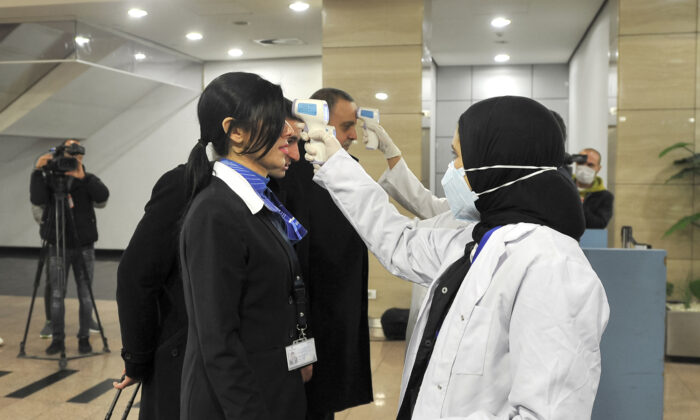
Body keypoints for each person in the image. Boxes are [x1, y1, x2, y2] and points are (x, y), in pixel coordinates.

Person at [305, 95, 610, 419]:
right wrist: (336, 165)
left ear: (496, 164)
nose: (452, 169)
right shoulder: (481, 238)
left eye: (459, 156)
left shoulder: (552, 267)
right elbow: (399, 242)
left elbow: (548, 412)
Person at [113, 98, 305, 420]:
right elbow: (136, 275)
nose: (294, 153)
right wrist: (138, 357)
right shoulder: (187, 186)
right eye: (286, 139)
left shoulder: (265, 189)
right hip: (188, 354)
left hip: (249, 362)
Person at [179, 72, 310, 420]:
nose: (290, 133)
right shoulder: (215, 213)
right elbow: (218, 340)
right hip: (239, 405)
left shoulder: (257, 201)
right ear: (235, 131)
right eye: (276, 122)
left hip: (271, 388)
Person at [278, 88, 373, 419]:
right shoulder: (292, 175)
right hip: (307, 320)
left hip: (339, 314)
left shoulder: (348, 170)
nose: (352, 136)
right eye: (346, 126)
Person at [30, 139, 109, 355]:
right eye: (68, 153)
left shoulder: (86, 178)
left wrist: (83, 177)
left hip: (84, 245)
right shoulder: (50, 178)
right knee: (57, 294)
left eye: (77, 154)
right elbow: (37, 198)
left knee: (85, 295)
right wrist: (38, 170)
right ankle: (57, 339)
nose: (72, 159)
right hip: (57, 245)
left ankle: (84, 339)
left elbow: (103, 196)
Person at [574, 147, 614, 228]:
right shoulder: (564, 188)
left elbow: (600, 224)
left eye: (590, 165)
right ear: (576, 163)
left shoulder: (605, 197)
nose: (584, 167)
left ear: (598, 169)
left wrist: (579, 206)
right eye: (581, 163)